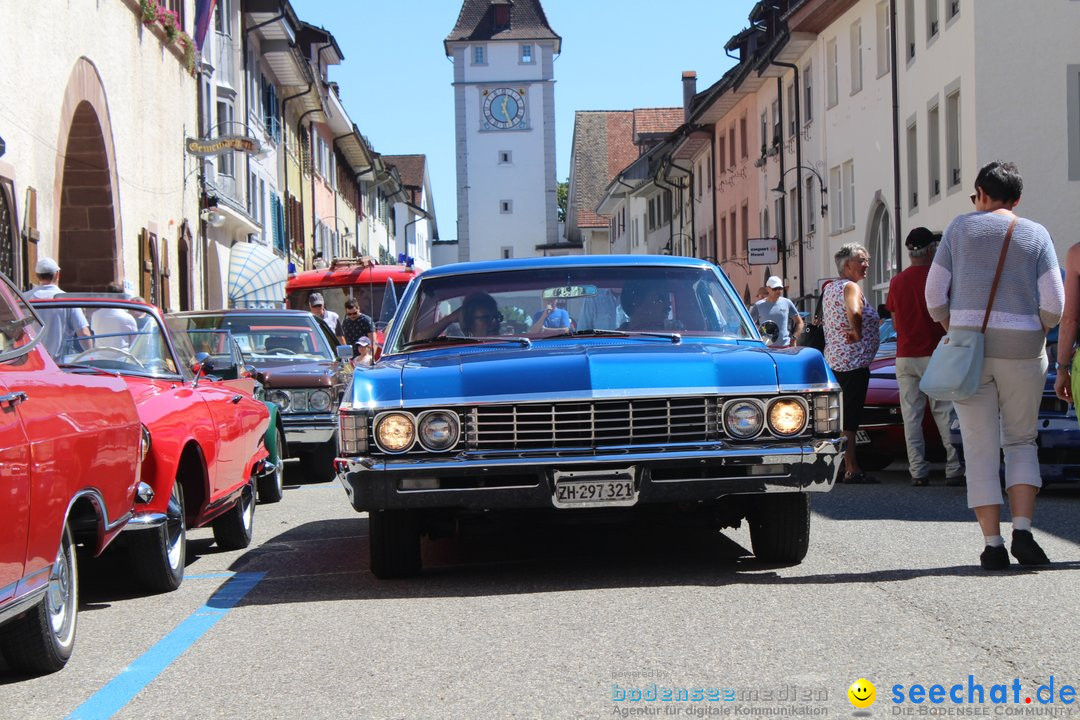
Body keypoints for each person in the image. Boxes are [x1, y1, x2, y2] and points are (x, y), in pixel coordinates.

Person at [926, 160, 1063, 571]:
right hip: (1023, 352)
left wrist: (959, 328)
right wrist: (1033, 327)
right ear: (1017, 198)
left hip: (970, 351)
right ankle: (1023, 531)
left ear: (980, 193)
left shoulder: (958, 229)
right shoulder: (1036, 234)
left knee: (980, 447)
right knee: (1020, 441)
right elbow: (1054, 305)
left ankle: (992, 545)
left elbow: (934, 296)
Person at [885, 228, 965, 487]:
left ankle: (917, 471)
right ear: (931, 250)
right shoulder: (940, 278)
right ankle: (954, 468)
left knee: (911, 416)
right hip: (935, 353)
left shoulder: (897, 282)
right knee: (944, 412)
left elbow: (895, 324)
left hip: (905, 355)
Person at [823, 243, 881, 484]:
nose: (866, 264)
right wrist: (857, 333)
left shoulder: (830, 287)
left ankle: (838, 465)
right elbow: (854, 311)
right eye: (861, 260)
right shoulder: (850, 287)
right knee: (850, 420)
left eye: (867, 259)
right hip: (852, 362)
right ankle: (851, 467)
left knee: (840, 416)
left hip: (836, 360)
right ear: (847, 265)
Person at [25, 256, 90, 357]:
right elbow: (84, 333)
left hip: (32, 362)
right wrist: (91, 354)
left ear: (37, 276)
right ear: (57, 274)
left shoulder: (24, 299)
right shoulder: (67, 300)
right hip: (59, 364)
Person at [750, 276, 803, 348]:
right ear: (768, 289)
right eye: (775, 289)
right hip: (766, 348)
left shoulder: (787, 303)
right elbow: (747, 326)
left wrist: (794, 338)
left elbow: (799, 322)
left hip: (785, 347)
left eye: (780, 288)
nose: (778, 291)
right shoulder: (759, 305)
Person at [421, 292, 503, 339]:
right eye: (485, 318)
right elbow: (416, 340)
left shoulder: (512, 344)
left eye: (496, 317)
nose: (494, 322)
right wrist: (449, 319)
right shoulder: (454, 348)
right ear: (469, 323)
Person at [91, 281, 138, 349]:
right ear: (121, 297)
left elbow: (94, 335)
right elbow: (135, 344)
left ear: (107, 296)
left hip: (99, 357)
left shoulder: (95, 315)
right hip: (122, 358)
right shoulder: (128, 318)